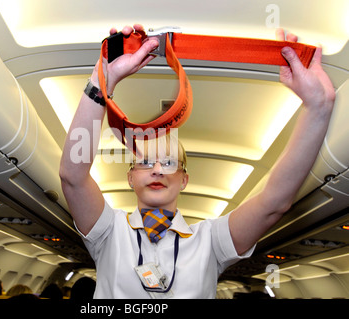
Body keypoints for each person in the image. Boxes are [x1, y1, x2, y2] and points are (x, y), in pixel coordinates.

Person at [59, 24, 335, 298]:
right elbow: (73, 177)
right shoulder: (109, 231)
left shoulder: (210, 241)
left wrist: (317, 107)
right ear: (130, 178)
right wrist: (102, 79)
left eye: (168, 163)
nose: (157, 170)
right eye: (145, 163)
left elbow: (274, 203)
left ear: (184, 179)